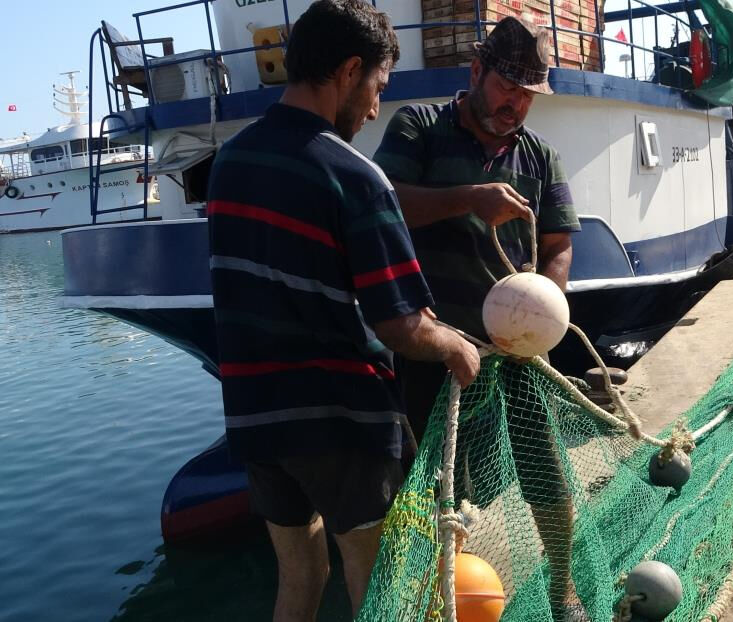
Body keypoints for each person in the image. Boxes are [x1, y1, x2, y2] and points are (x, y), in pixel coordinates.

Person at [206, 1, 480, 620]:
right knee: (378, 583)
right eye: (378, 86)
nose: (376, 106)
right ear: (350, 70)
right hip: (340, 421)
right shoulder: (355, 176)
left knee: (301, 573)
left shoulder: (230, 164)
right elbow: (401, 325)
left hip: (254, 417)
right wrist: (457, 346)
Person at [373, 16, 584, 621]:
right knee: (430, 481)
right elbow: (386, 206)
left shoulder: (542, 158)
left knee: (545, 468)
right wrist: (470, 197)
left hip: (516, 349)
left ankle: (562, 589)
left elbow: (559, 243)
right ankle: (433, 594)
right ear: (475, 72)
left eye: (527, 95)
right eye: (505, 88)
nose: (515, 105)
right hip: (433, 342)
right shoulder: (418, 129)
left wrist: (543, 305)